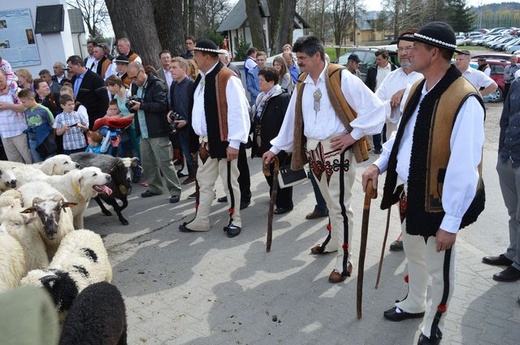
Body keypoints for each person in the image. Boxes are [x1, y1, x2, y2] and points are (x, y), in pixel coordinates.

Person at [361, 22, 485, 345]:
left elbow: (465, 168)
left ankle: (434, 323)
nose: (407, 52)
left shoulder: (464, 99)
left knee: (439, 268)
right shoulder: (418, 87)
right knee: (415, 255)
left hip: (439, 203)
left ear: (434, 52)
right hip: (409, 192)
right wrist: (378, 164)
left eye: (414, 47)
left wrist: (452, 222)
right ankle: (415, 303)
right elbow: (400, 138)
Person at [262, 35, 385, 283]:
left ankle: (345, 258)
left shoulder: (341, 77)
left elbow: (376, 108)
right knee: (330, 203)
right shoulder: (303, 83)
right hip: (313, 150)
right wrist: (276, 148)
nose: (299, 63)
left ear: (317, 55)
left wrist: (354, 135)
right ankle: (333, 242)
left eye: (303, 58)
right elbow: (292, 121)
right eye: (297, 59)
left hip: (336, 150)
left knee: (340, 205)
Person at [178, 39, 250, 237]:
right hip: (205, 143)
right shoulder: (202, 79)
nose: (194, 59)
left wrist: (234, 143)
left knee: (229, 183)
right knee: (204, 181)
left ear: (207, 56)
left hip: (224, 142)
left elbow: (238, 112)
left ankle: (236, 220)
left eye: (196, 55)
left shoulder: (227, 77)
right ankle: (201, 219)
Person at [373, 29, 424, 252]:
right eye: (400, 49)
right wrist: (390, 104)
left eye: (409, 48)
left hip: (421, 148)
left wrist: (409, 92)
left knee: (419, 193)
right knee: (401, 191)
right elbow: (375, 106)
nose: (404, 53)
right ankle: (405, 231)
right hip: (395, 145)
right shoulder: (391, 78)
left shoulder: (425, 77)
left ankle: (420, 232)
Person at [482, 76, 520, 283]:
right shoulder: (517, 82)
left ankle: (519, 264)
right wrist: (501, 153)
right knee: (513, 212)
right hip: (508, 157)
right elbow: (505, 119)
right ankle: (513, 253)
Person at [127, 61, 181, 204]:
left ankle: (175, 190)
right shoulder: (135, 86)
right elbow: (136, 104)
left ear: (142, 71)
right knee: (148, 162)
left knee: (165, 162)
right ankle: (155, 187)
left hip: (158, 130)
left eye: (134, 77)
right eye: (130, 78)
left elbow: (162, 105)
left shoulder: (157, 84)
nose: (133, 81)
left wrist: (142, 105)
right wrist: (132, 104)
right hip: (144, 131)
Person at [251, 67, 293, 213]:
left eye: (262, 80)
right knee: (268, 171)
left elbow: (289, 122)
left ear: (272, 81)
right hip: (264, 142)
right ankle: (275, 195)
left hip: (279, 143)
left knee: (280, 172)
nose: (259, 83)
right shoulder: (261, 96)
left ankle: (285, 204)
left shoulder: (283, 97)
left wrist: (287, 145)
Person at [168, 56, 196, 185]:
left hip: (191, 128)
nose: (171, 70)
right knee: (186, 154)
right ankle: (191, 175)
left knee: (193, 155)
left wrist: (187, 121)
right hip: (179, 126)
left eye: (174, 67)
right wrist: (170, 113)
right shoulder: (174, 84)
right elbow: (172, 103)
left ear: (184, 69)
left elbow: (196, 108)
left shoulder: (191, 85)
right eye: (170, 67)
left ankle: (198, 181)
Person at [365, 49, 397, 154]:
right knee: (377, 124)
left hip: (390, 102)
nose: (377, 61)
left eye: (379, 59)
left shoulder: (394, 69)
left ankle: (387, 145)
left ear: (386, 58)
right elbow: (368, 86)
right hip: (376, 101)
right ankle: (377, 147)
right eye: (376, 59)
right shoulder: (372, 70)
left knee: (388, 125)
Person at [67, 55, 109, 129]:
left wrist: (99, 118)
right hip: (80, 118)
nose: (70, 70)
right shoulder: (73, 78)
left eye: (71, 67)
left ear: (78, 65)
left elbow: (104, 99)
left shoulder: (95, 78)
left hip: (93, 117)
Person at [0, 70, 32, 163]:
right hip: (4, 134)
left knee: (29, 160)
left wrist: (8, 106)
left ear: (6, 78)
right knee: (14, 164)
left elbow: (25, 107)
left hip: (20, 132)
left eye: (0, 80)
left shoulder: (16, 90)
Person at [105, 75, 140, 159]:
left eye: (109, 86)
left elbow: (136, 113)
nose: (108, 89)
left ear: (116, 85)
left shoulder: (128, 94)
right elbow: (121, 112)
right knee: (133, 150)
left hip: (136, 126)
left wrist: (121, 119)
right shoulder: (116, 96)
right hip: (127, 127)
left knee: (139, 149)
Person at [18, 89, 56, 162]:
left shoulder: (44, 110)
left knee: (49, 160)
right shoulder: (26, 111)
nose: (22, 104)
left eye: (24, 102)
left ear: (31, 99)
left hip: (45, 140)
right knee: (37, 162)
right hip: (33, 140)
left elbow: (52, 124)